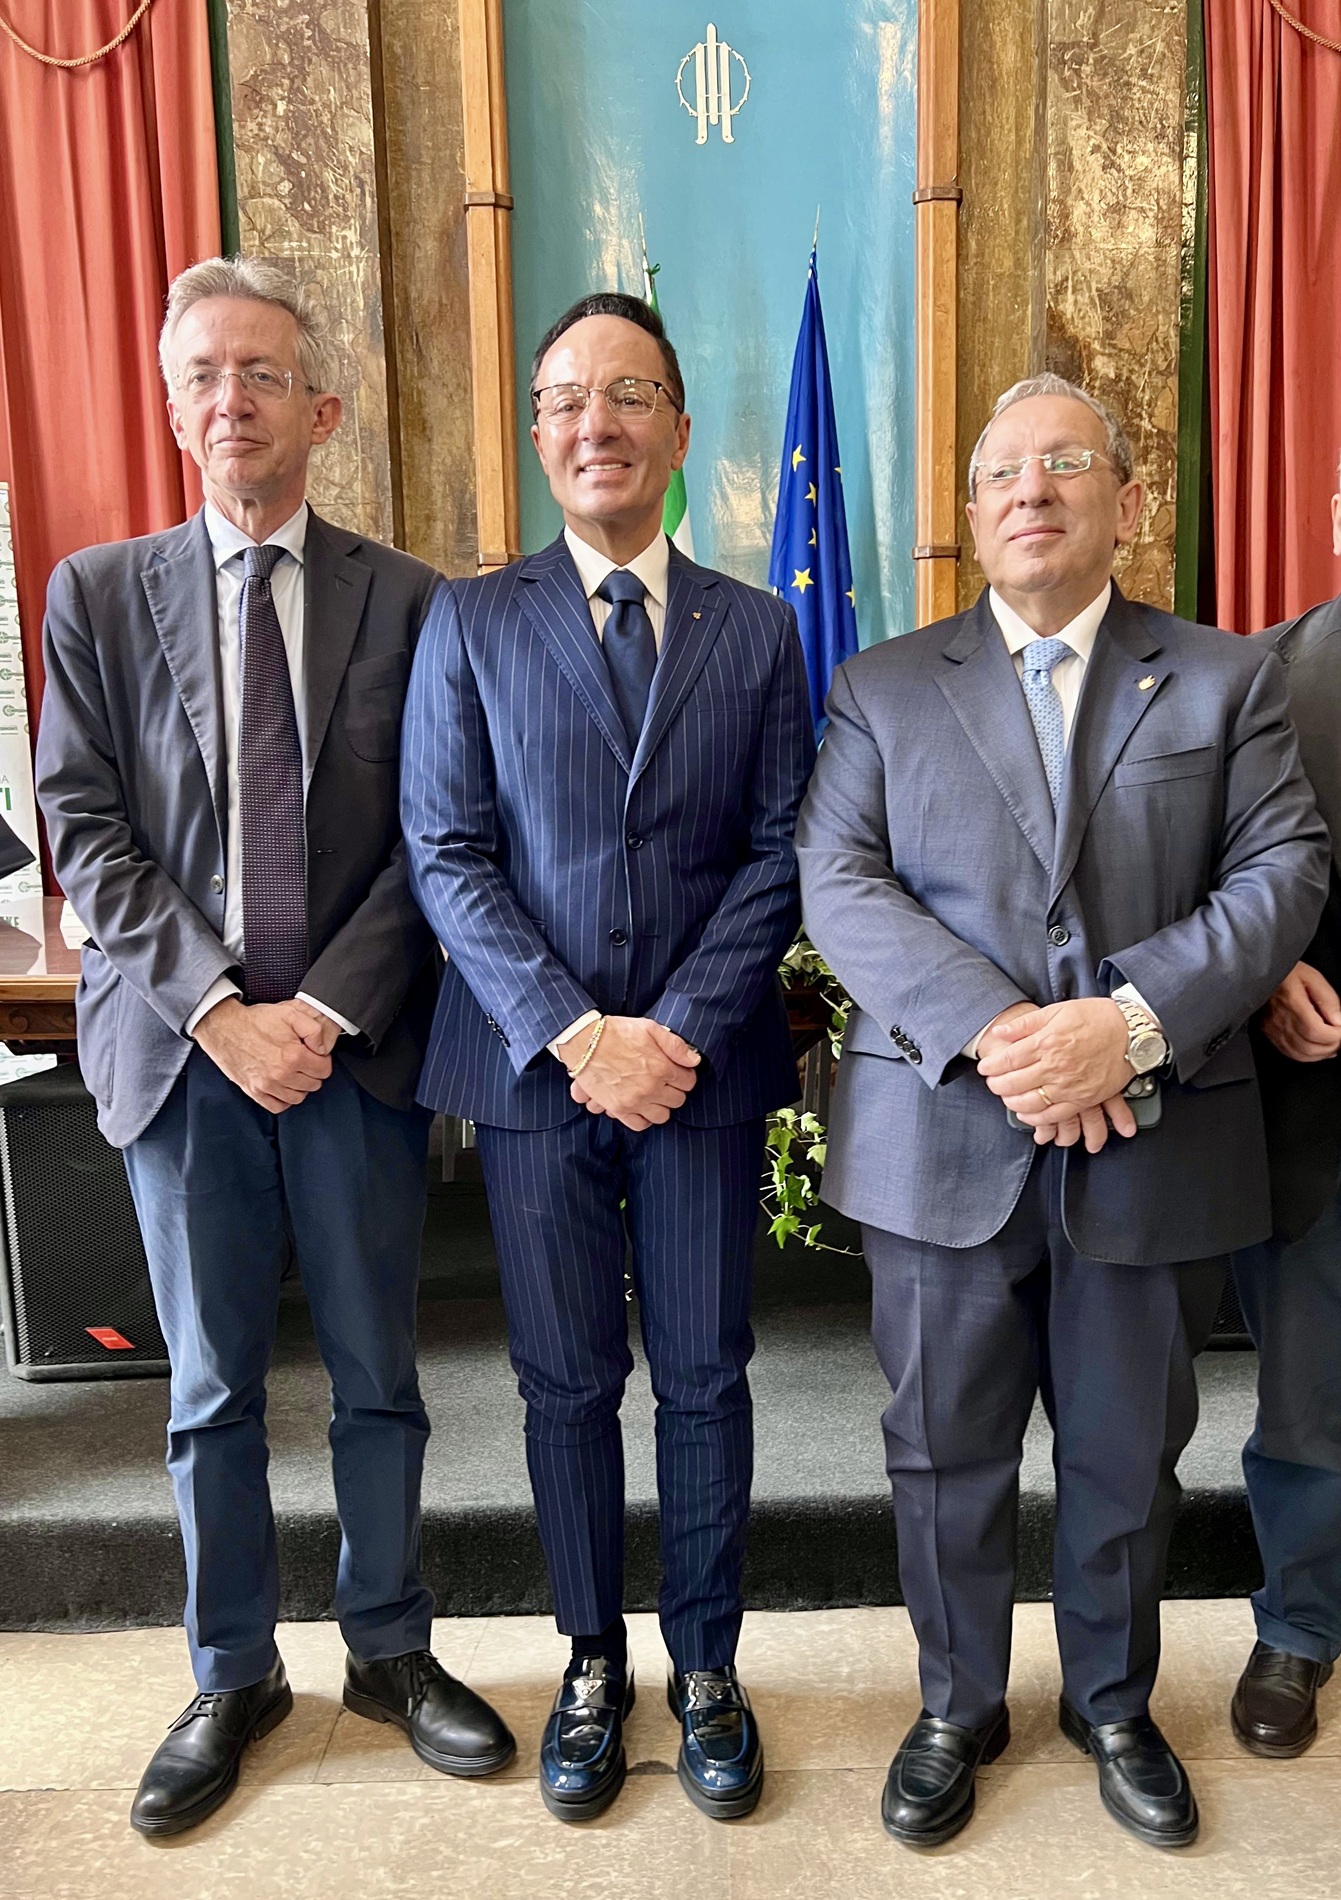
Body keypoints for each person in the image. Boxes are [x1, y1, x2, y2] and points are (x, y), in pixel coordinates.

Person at [797, 373, 1329, 1852]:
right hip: (941, 1142)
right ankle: (954, 1706)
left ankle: (1112, 1704)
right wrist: (1010, 1035)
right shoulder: (883, 686)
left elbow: (1280, 873)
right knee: (939, 1452)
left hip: (1157, 1139)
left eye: (1065, 465)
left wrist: (1128, 1026)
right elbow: (840, 882)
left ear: (1126, 503)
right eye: (1002, 475)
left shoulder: (1225, 679)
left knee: (1124, 1453)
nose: (1030, 492)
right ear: (971, 516)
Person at [35, 256, 513, 1838]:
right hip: (184, 1059)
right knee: (209, 1391)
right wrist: (221, 1011)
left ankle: (389, 1649)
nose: (230, 400)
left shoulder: (414, 603)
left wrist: (318, 1011)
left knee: (382, 1379)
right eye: (202, 376)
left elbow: (437, 836)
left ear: (323, 408)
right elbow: (85, 830)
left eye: (261, 372)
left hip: (351, 1055)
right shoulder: (97, 595)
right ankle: (231, 1672)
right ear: (174, 412)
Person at [401, 292, 814, 1823]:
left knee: (704, 1375)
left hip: (700, 1075)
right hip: (530, 1072)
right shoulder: (471, 619)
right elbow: (446, 851)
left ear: (678, 430)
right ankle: (590, 1659)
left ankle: (705, 1665)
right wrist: (578, 1034)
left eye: (629, 394)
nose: (598, 423)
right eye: (568, 397)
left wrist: (674, 1031)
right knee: (564, 1383)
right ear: (537, 433)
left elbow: (780, 850)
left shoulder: (755, 628)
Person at [1230, 460, 1341, 1757]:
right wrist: (1262, 976)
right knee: (1309, 1395)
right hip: (1314, 1109)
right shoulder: (1257, 680)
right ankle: (1301, 1623)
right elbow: (1208, 879)